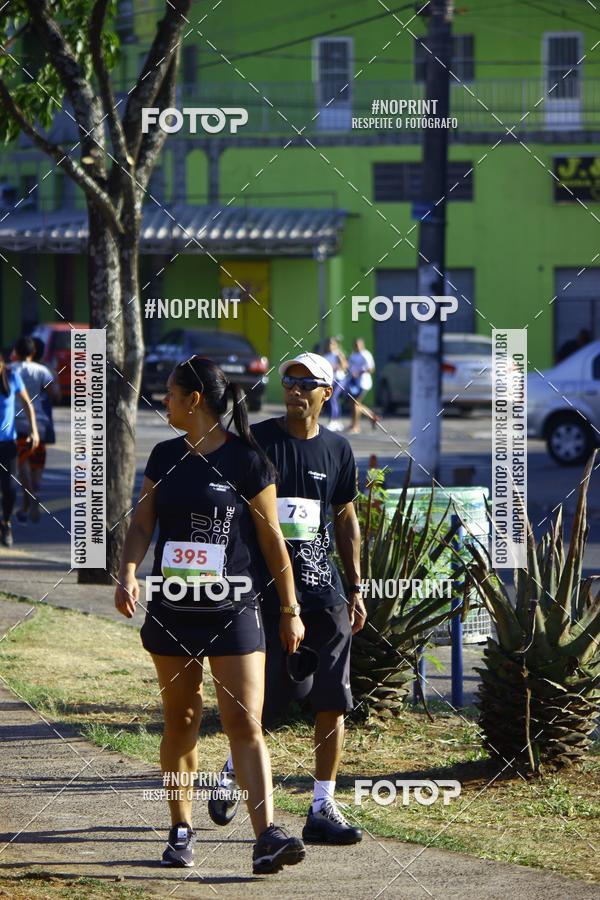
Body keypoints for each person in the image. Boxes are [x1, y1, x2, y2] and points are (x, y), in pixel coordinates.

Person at [114, 356, 306, 875]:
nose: (166, 402)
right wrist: (129, 571)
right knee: (181, 723)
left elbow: (273, 541)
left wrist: (290, 610)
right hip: (174, 610)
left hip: (235, 609)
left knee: (245, 724)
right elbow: (141, 526)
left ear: (194, 400)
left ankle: (266, 835)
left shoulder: (248, 461)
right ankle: (181, 831)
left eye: (172, 394)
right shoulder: (164, 454)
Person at [209, 351, 368, 846]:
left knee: (332, 700)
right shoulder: (258, 441)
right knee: (265, 699)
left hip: (325, 594)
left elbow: (344, 518)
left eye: (306, 382)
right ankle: (234, 768)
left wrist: (357, 586)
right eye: (289, 380)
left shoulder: (339, 450)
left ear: (327, 393)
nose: (295, 388)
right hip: (263, 593)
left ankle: (322, 807)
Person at [11, 336, 60, 523]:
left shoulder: (9, 370)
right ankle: (32, 493)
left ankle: (28, 498)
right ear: (33, 353)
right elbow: (54, 394)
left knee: (22, 461)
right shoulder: (42, 372)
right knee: (37, 465)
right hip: (40, 424)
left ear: (15, 351)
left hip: (17, 424)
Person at [0, 352, 39, 547]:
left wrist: (34, 431)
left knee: (9, 489)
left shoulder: (12, 377)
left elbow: (28, 404)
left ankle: (6, 523)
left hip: (7, 444)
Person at [344, 337, 379, 433]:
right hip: (353, 383)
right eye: (355, 345)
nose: (357, 346)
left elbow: (371, 368)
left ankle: (356, 426)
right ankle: (372, 416)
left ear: (362, 345)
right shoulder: (353, 355)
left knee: (356, 403)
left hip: (363, 383)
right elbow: (349, 367)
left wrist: (359, 373)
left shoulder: (366, 355)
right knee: (354, 403)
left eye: (359, 344)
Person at [322, 337, 347, 432]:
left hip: (339, 380)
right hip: (331, 381)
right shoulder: (326, 355)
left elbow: (345, 366)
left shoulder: (338, 354)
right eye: (329, 343)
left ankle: (333, 420)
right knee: (332, 400)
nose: (330, 345)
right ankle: (337, 421)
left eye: (332, 344)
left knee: (333, 398)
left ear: (335, 345)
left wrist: (336, 366)